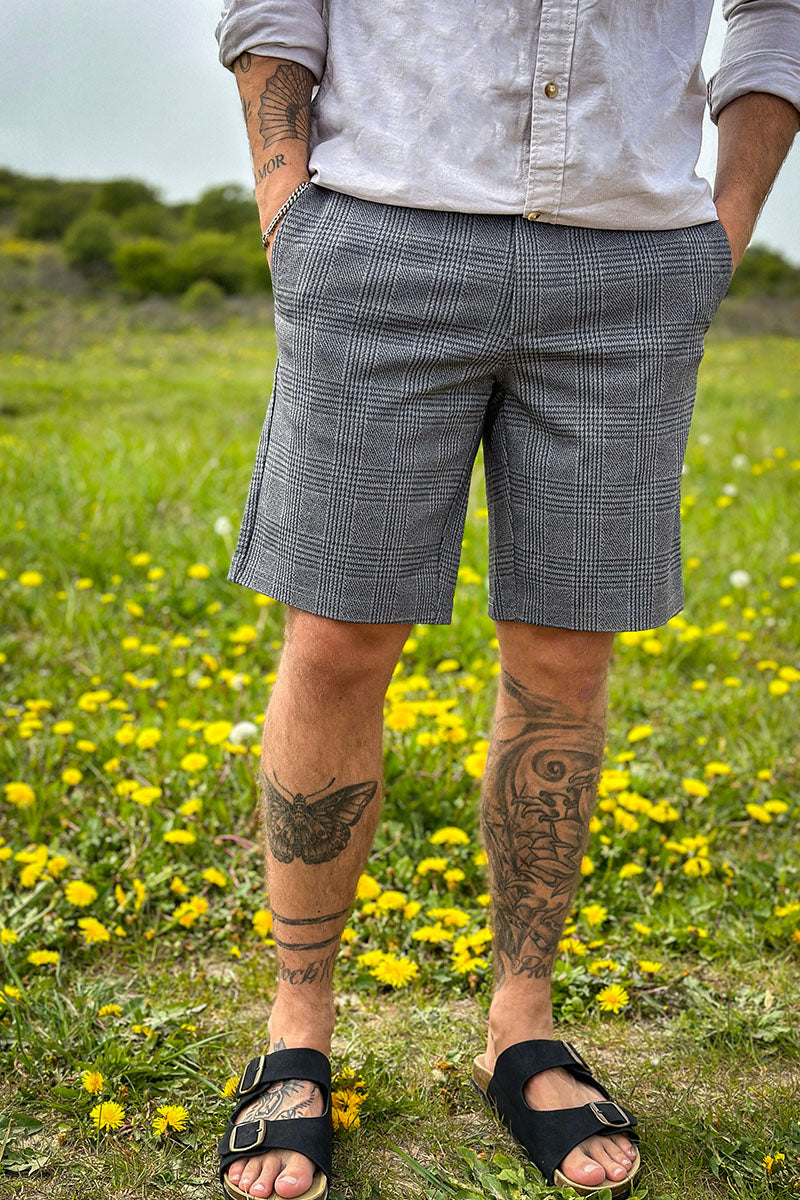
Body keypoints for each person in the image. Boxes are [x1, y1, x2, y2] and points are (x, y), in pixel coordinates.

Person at [212, 3, 800, 1198]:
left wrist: (722, 226)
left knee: (566, 656)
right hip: (380, 235)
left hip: (629, 265)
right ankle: (296, 1030)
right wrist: (287, 206)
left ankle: (520, 1027)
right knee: (336, 639)